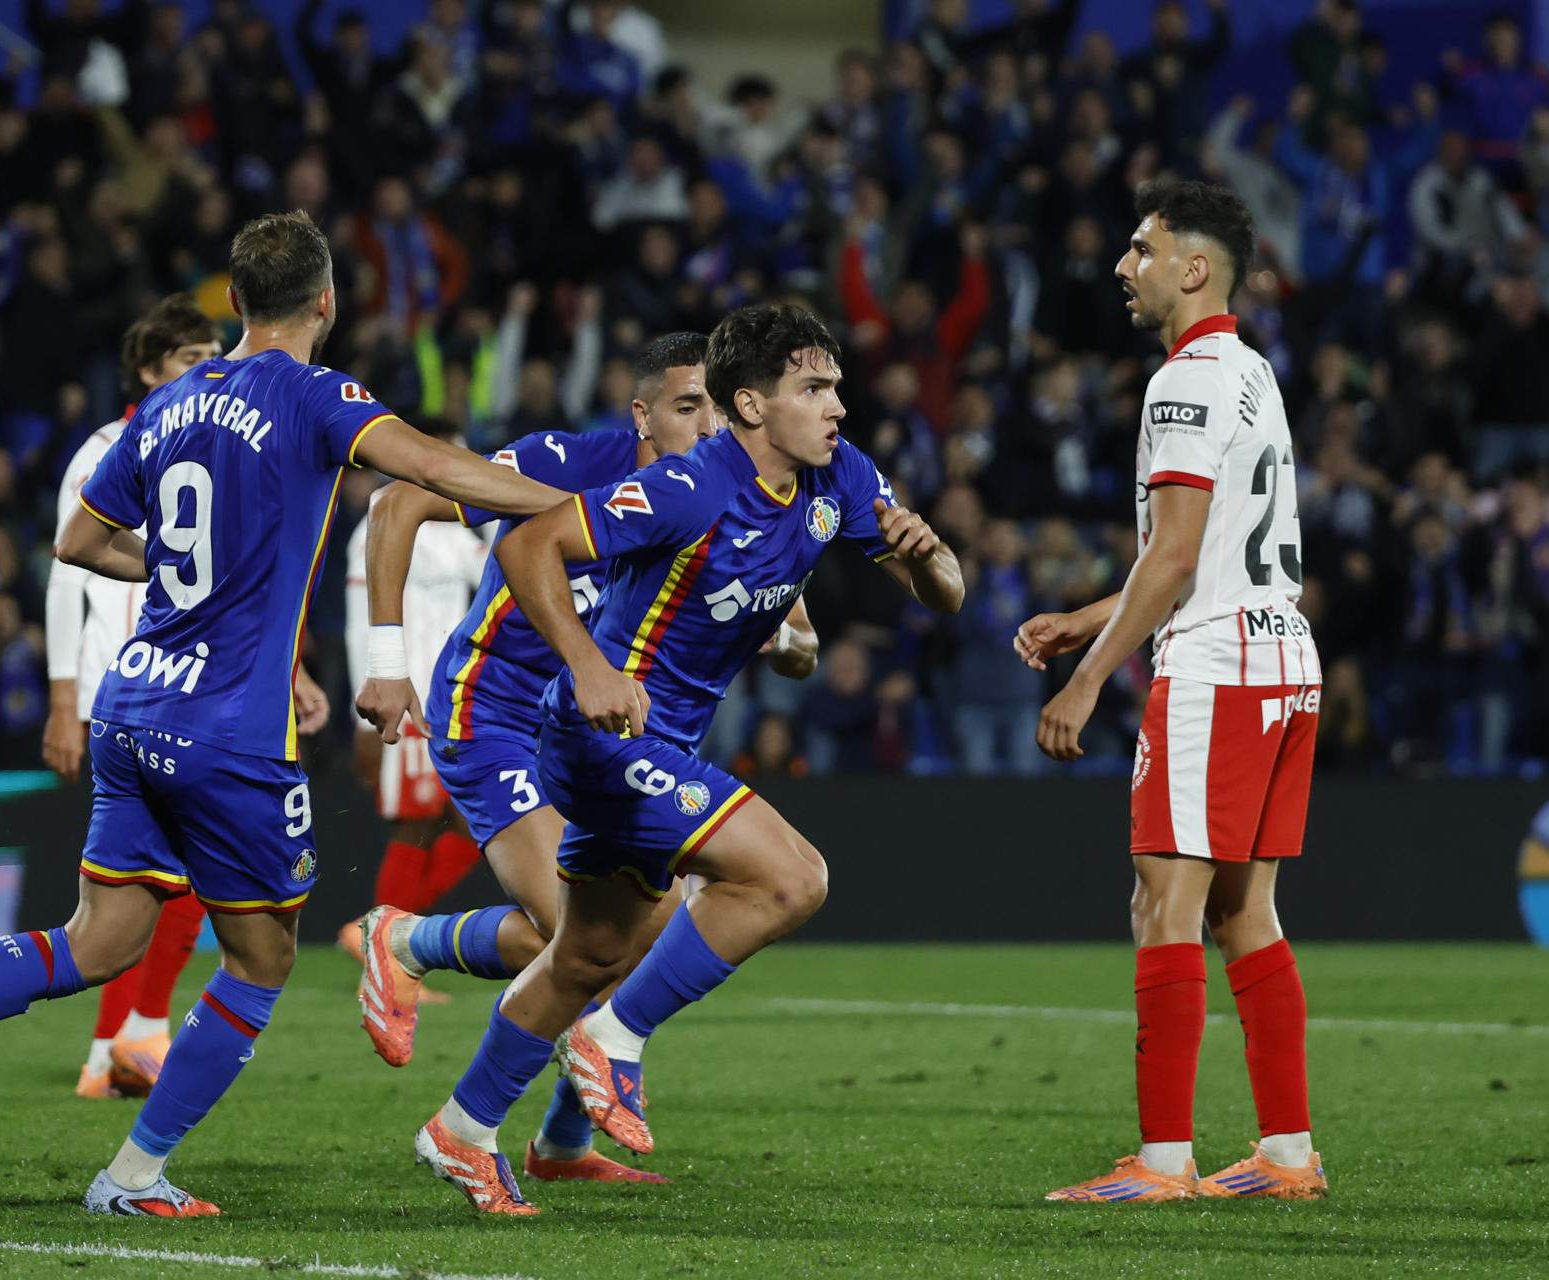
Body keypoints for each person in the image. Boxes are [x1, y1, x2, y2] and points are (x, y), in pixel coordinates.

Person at [0, 210, 570, 1218]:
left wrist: (171, 573)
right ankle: (133, 1174)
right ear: (326, 301)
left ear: (235, 303)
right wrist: (572, 508)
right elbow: (436, 469)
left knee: (98, 938)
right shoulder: (319, 394)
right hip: (227, 729)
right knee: (263, 956)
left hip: (135, 703)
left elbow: (77, 538)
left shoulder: (169, 403)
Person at [409, 303, 964, 1214]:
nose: (837, 409)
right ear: (749, 405)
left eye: (835, 388)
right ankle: (612, 1042)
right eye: (812, 390)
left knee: (586, 953)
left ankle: (462, 1132)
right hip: (603, 740)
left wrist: (931, 554)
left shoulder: (842, 478)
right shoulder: (692, 486)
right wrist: (585, 666)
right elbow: (528, 543)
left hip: (661, 747)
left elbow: (944, 596)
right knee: (791, 879)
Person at [355, 333, 820, 1187]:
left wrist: (782, 634)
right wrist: (386, 662)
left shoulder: (733, 494)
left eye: (715, 405)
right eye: (687, 407)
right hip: (495, 715)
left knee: (620, 939)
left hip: (601, 739)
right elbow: (395, 506)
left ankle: (557, 1139)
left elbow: (798, 642)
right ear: (642, 416)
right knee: (586, 943)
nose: (707, 422)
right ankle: (411, 943)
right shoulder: (568, 465)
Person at [1016, 180, 1326, 1204]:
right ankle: (1286, 1152)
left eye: (1142, 249)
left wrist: (1089, 673)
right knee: (1247, 910)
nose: (1123, 266)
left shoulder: (1183, 381)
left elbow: (1181, 555)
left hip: (1216, 666)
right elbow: (1202, 551)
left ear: (1193, 268)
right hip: (1285, 655)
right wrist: (1089, 616)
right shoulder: (1253, 373)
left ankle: (1162, 1163)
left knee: (1164, 897)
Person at [42, 294, 224, 1102]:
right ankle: (116, 1043)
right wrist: (60, 697)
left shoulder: (217, 444)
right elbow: (62, 576)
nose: (208, 367)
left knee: (185, 879)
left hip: (198, 685)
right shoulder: (103, 450)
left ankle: (125, 1042)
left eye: (215, 353)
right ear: (149, 370)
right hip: (125, 689)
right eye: (190, 357)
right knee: (141, 884)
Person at [337, 417, 491, 969]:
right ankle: (387, 941)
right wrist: (363, 720)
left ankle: (381, 932)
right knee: (418, 822)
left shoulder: (450, 527)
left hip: (452, 701)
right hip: (411, 704)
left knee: (474, 822)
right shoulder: (390, 521)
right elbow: (361, 623)